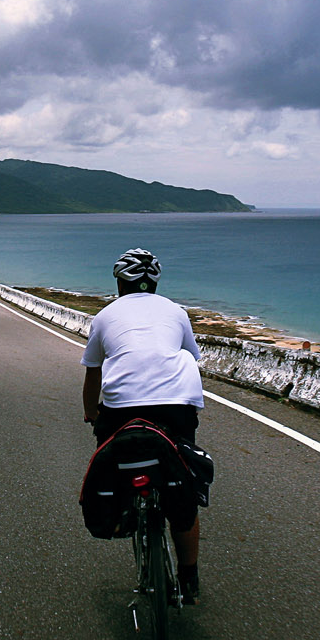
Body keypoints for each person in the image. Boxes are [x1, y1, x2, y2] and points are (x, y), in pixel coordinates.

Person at [82, 248, 204, 603]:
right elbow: (191, 358)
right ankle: (189, 578)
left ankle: (122, 513)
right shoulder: (177, 312)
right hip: (178, 405)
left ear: (120, 283)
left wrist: (92, 414)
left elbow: (94, 373)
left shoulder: (105, 316)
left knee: (116, 459)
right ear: (155, 283)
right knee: (183, 483)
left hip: (122, 408)